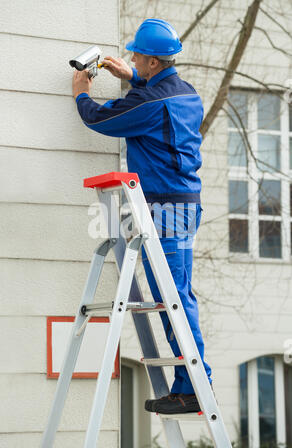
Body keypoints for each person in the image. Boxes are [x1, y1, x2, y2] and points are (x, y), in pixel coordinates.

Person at [72, 18, 212, 414]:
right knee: (175, 296)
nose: (131, 57)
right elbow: (155, 99)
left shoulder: (149, 102)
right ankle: (190, 386)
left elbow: (101, 118)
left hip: (167, 208)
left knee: (176, 299)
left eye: (137, 55)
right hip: (180, 205)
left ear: (153, 61)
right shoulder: (187, 93)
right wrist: (132, 75)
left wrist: (82, 93)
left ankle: (195, 390)